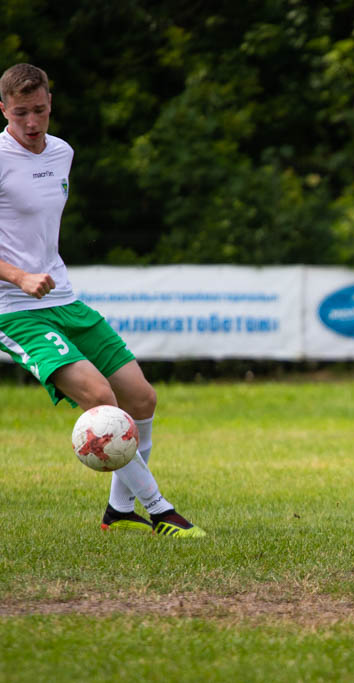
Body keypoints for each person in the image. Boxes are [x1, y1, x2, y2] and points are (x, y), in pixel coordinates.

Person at [0, 63, 205, 536]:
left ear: (51, 104)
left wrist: (42, 274)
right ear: (3, 110)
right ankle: (160, 510)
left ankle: (119, 510)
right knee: (99, 397)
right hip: (14, 308)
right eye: (21, 113)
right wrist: (19, 276)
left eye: (40, 110)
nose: (32, 122)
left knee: (141, 397)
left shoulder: (62, 152)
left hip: (63, 298)